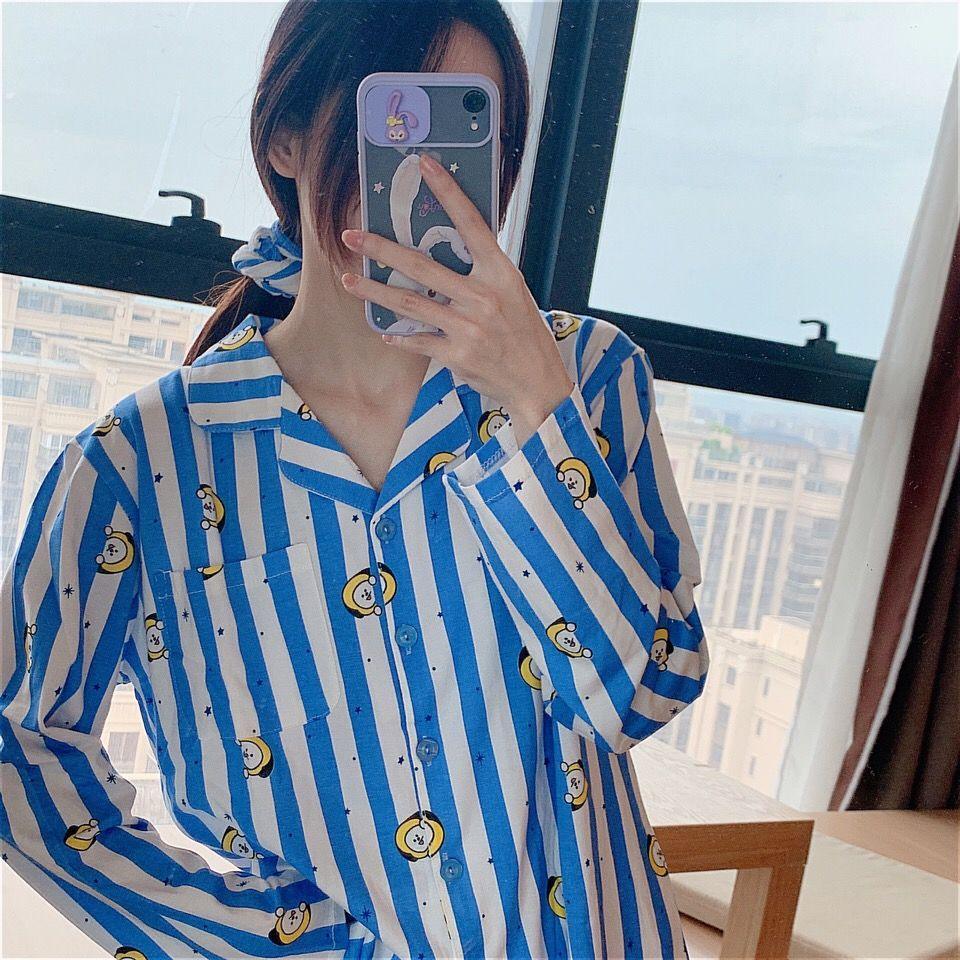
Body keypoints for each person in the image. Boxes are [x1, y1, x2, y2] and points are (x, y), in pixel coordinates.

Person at [0, 1, 709, 958]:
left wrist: (536, 409)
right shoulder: (141, 464)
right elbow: (18, 746)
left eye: (470, 127)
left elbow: (638, 696)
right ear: (287, 140)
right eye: (398, 122)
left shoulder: (586, 377)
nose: (431, 176)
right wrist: (259, 941)